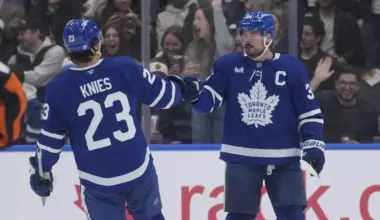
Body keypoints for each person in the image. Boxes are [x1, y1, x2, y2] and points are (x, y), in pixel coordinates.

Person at [28, 18, 186, 220]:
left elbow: (50, 142)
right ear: (97, 43)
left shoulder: (59, 88)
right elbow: (165, 96)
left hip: (98, 180)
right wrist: (183, 86)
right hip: (137, 169)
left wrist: (42, 172)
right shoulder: (124, 67)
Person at [182, 12, 326, 220]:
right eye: (244, 33)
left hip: (283, 157)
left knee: (292, 215)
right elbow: (208, 103)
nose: (247, 38)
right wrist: (193, 94)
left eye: (254, 33)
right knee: (239, 216)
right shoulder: (228, 65)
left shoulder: (291, 68)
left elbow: (308, 110)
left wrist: (313, 141)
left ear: (269, 36)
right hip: (241, 156)